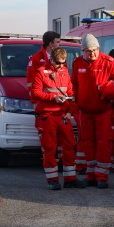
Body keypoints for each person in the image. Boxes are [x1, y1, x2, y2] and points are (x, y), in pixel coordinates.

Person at [71, 34, 114, 189]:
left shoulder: (109, 62)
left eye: (93, 50)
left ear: (98, 48)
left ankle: (102, 176)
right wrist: (74, 107)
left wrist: (111, 90)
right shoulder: (78, 63)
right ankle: (90, 175)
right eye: (87, 51)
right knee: (87, 144)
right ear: (83, 51)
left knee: (103, 144)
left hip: (103, 111)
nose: (91, 54)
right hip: (85, 112)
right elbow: (73, 86)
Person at [31, 47, 86, 190]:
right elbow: (35, 93)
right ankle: (52, 180)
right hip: (47, 116)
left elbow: (70, 93)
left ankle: (70, 179)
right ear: (51, 59)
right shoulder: (41, 72)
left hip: (62, 115)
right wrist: (53, 98)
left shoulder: (64, 72)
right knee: (49, 148)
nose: (61, 65)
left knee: (69, 146)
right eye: (58, 63)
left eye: (63, 62)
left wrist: (70, 111)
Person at [27, 31, 61, 101]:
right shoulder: (36, 59)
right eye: (57, 42)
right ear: (51, 44)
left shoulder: (60, 58)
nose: (59, 45)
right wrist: (34, 101)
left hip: (59, 101)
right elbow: (31, 82)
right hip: (43, 102)